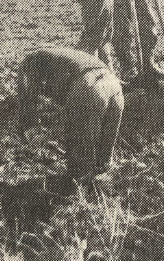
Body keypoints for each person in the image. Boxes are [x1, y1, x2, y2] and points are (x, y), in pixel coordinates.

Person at [16, 46, 124, 184]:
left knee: (79, 172)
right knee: (103, 165)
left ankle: (77, 199)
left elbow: (27, 104)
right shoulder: (63, 58)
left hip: (89, 87)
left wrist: (32, 132)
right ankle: (101, 196)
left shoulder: (28, 64)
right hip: (114, 86)